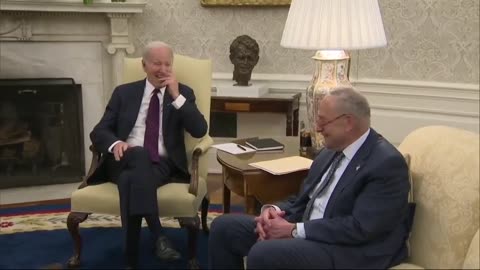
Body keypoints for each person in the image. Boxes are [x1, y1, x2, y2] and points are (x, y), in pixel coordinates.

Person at [208, 86, 411, 269]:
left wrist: (294, 230)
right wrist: (274, 211)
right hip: (310, 233)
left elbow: (360, 228)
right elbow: (302, 199)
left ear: (348, 122)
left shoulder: (385, 164)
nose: (318, 128)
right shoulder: (329, 152)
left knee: (263, 254)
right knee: (224, 228)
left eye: (323, 121)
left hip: (350, 250)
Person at [88, 41, 208, 268]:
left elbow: (200, 130)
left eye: (167, 64)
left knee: (130, 180)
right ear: (144, 65)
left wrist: (176, 96)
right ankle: (158, 236)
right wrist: (115, 144)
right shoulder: (124, 93)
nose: (162, 69)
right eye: (156, 63)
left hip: (162, 165)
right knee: (137, 157)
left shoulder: (183, 93)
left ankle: (131, 260)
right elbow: (99, 131)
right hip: (121, 160)